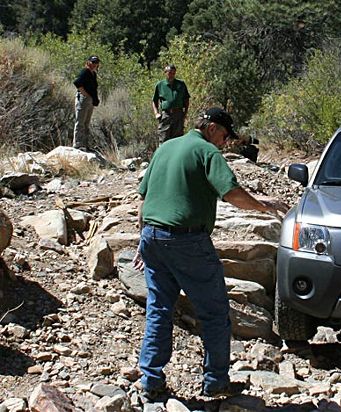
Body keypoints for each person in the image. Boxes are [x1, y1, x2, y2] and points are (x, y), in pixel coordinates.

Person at [132, 107, 285, 401]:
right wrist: (265, 206)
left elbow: (143, 197)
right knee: (215, 313)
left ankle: (151, 380)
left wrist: (143, 240)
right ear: (212, 127)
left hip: (152, 237)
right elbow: (232, 194)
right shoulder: (206, 152)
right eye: (225, 135)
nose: (225, 143)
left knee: (159, 309)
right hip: (187, 241)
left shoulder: (165, 148)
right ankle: (216, 381)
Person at [152, 64, 190, 143]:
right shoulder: (160, 85)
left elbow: (186, 99)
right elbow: (154, 100)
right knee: (163, 137)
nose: (171, 75)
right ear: (165, 73)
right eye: (169, 73)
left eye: (173, 73)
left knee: (178, 139)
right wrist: (156, 113)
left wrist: (185, 113)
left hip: (178, 114)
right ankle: (163, 155)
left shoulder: (181, 84)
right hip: (166, 114)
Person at [72, 55, 101, 150]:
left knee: (86, 123)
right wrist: (84, 94)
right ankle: (78, 144)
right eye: (93, 62)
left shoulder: (93, 74)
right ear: (88, 62)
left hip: (90, 100)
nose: (94, 65)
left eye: (96, 63)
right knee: (80, 122)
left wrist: (94, 99)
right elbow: (77, 82)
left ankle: (85, 144)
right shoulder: (85, 72)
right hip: (83, 99)